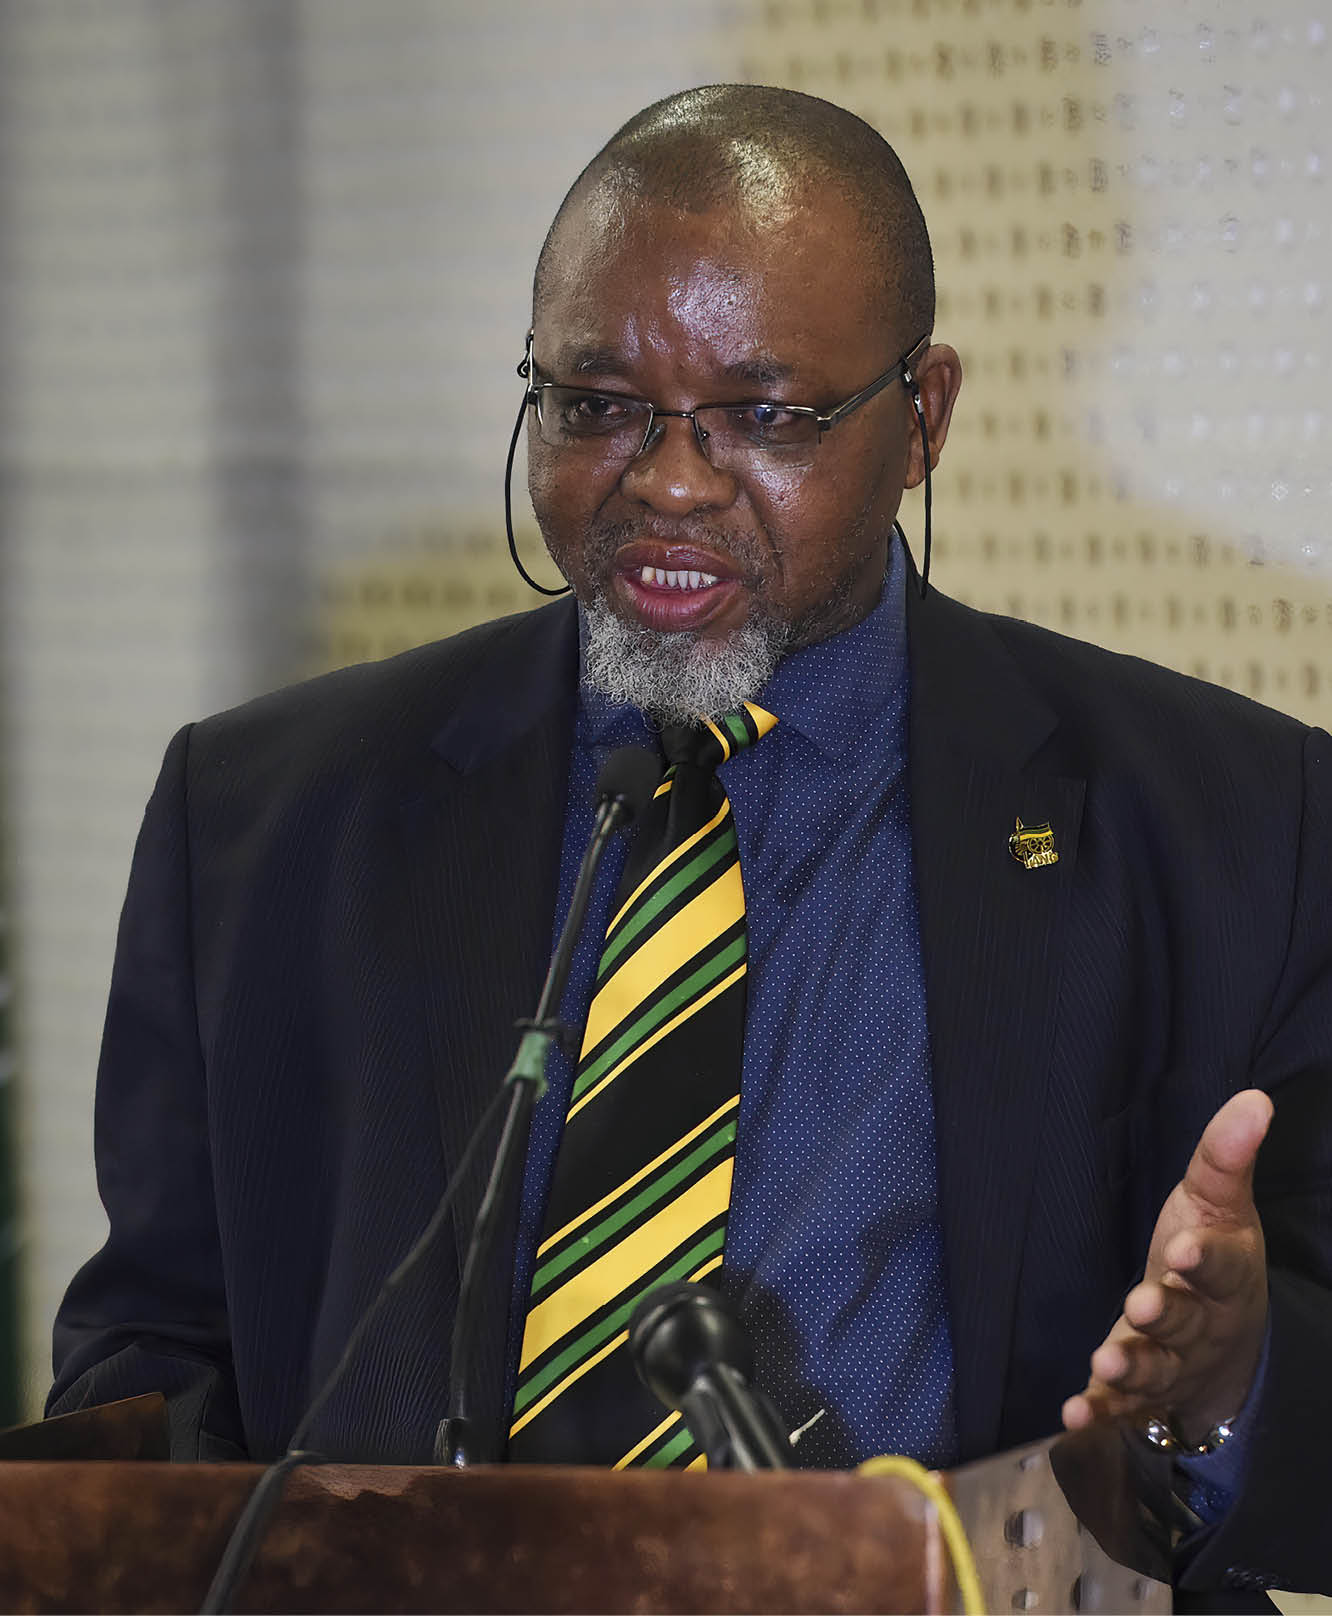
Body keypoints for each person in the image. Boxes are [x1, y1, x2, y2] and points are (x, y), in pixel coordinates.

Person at [48, 86, 1329, 1600]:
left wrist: (1230, 1377)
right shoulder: (261, 823)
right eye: (596, 405)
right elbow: (153, 1357)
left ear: (923, 416)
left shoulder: (1239, 827)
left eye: (765, 416)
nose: (666, 480)